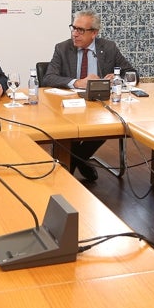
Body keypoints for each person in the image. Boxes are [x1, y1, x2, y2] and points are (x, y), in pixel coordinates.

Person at [42, 10, 133, 182]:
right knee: (70, 130)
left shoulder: (109, 48)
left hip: (99, 106)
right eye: (73, 28)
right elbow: (48, 78)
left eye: (81, 30)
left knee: (109, 125)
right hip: (69, 107)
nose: (75, 34)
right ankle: (80, 160)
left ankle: (74, 160)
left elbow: (132, 73)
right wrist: (78, 82)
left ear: (94, 33)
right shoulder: (62, 48)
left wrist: (117, 78)